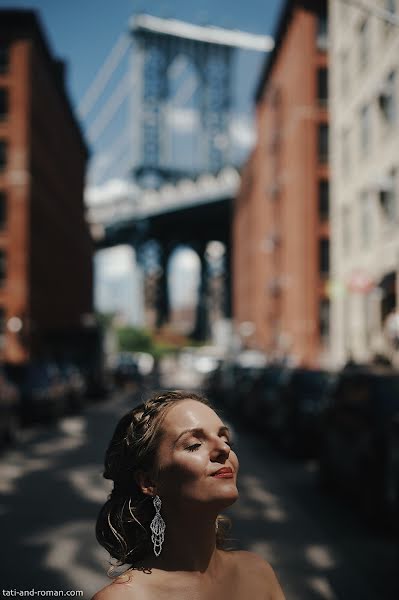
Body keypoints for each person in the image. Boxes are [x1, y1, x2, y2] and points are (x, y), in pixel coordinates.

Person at [93, 390, 286, 599]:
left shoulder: (258, 571)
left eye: (226, 439)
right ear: (149, 481)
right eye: (194, 445)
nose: (223, 449)